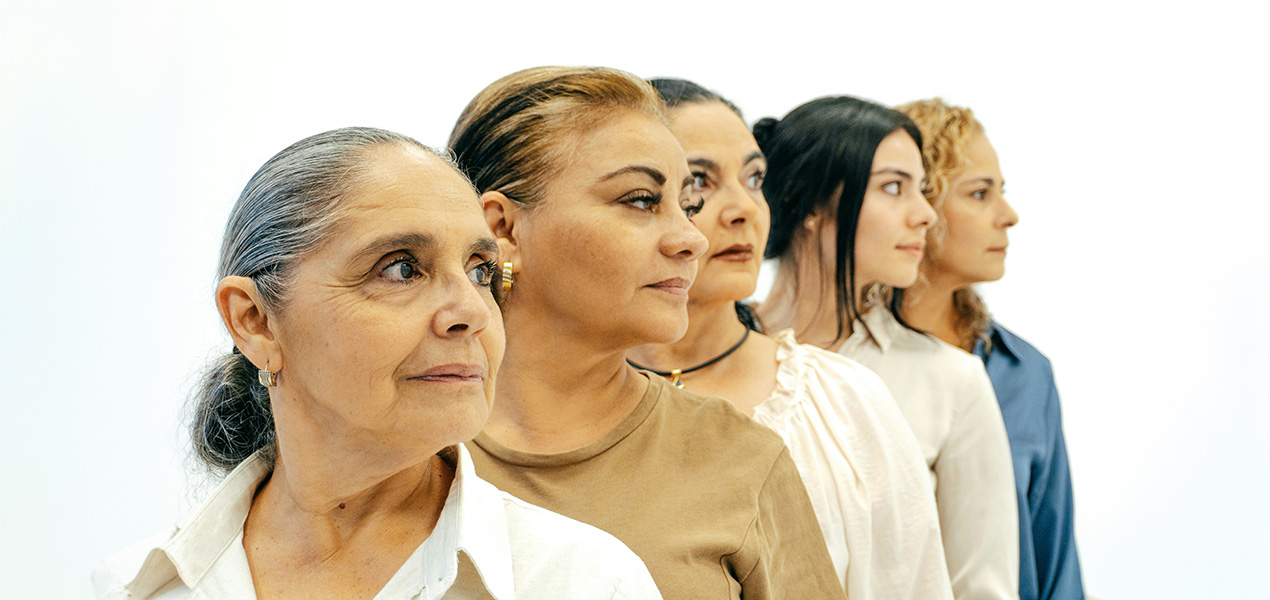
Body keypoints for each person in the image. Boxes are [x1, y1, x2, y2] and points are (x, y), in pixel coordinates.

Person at [91, 127, 663, 599]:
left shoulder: (581, 582)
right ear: (255, 322)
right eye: (400, 268)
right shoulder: (135, 587)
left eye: (480, 270)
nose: (471, 312)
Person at [449, 67, 844, 599]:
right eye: (640, 200)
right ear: (503, 229)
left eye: (686, 204)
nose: (690, 240)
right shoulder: (400, 446)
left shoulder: (738, 458)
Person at [626, 77, 953, 600]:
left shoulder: (844, 401)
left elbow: (915, 584)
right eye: (698, 184)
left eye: (755, 179)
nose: (743, 209)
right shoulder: (558, 405)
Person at [757, 97, 1021, 600]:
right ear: (812, 203)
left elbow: (981, 589)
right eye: (894, 187)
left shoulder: (953, 382)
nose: (925, 215)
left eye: (921, 190)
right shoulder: (706, 358)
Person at [896, 98, 1085, 600]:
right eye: (980, 194)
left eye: (1002, 192)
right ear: (916, 206)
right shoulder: (835, 364)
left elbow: (1055, 564)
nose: (1010, 216)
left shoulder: (1025, 373)